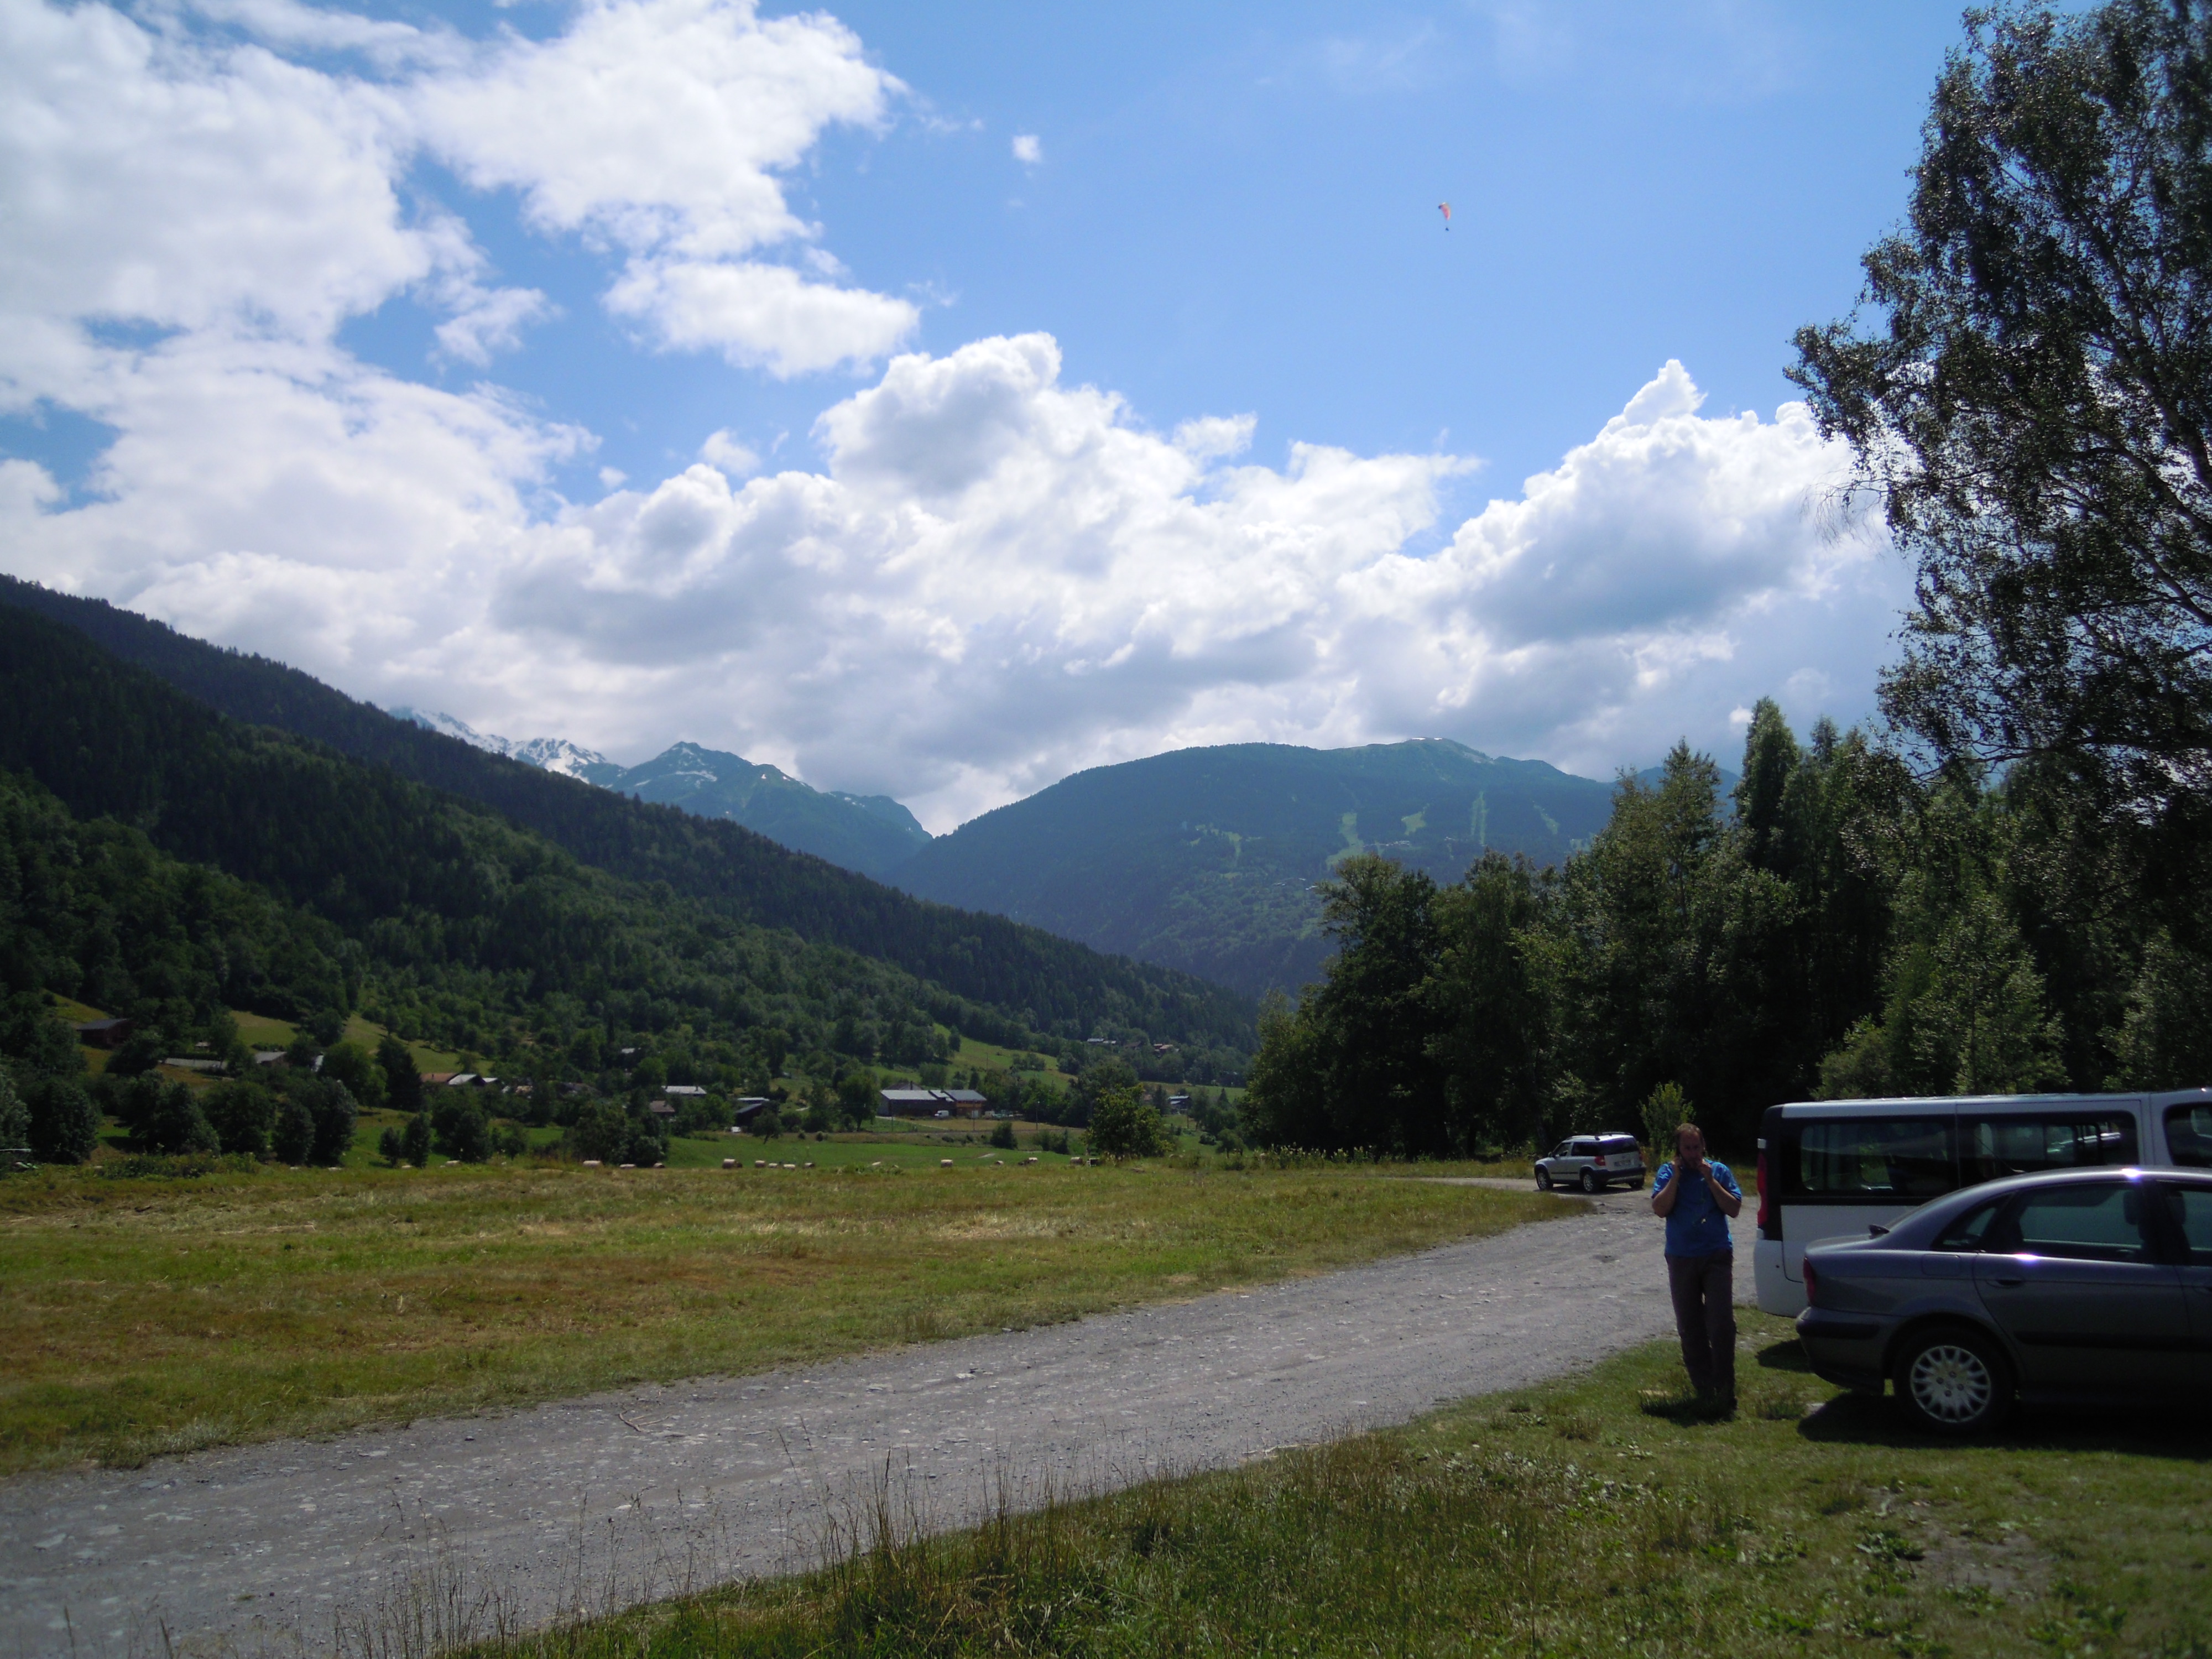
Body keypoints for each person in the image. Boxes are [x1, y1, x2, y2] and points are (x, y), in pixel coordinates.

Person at [1650, 1121, 1743, 1409]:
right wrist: (1676, 1178)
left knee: (1721, 1323)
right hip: (1681, 1257)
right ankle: (1704, 1389)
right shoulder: (1668, 1173)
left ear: (1704, 1146)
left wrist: (1711, 1181)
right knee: (1690, 1325)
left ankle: (1725, 1387)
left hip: (1716, 1254)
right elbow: (1660, 1209)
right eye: (1687, 1148)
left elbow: (1734, 1209)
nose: (1692, 1154)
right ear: (1679, 1150)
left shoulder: (1719, 1171)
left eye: (1696, 1147)